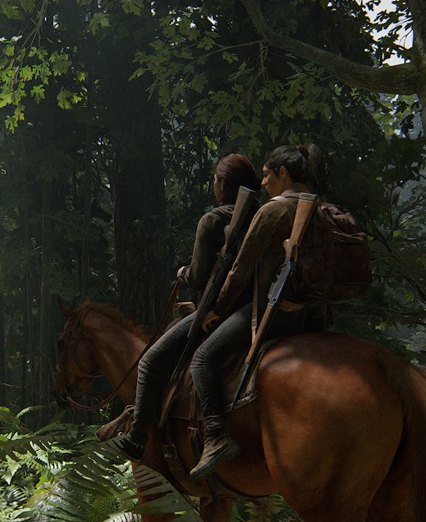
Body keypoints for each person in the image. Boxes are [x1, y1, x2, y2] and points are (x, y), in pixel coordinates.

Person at [187, 144, 332, 480]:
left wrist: (216, 310)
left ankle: (215, 435)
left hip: (276, 311)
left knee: (202, 359)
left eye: (267, 175)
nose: (263, 182)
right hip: (316, 316)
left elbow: (238, 270)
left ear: (283, 173)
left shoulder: (272, 212)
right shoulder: (323, 208)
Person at [115, 154, 260, 461]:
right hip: (255, 306)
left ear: (222, 184)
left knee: (149, 362)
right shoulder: (261, 215)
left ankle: (138, 436)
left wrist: (184, 273)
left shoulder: (213, 220)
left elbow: (198, 277)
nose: (213, 185)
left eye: (216, 180)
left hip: (218, 309)